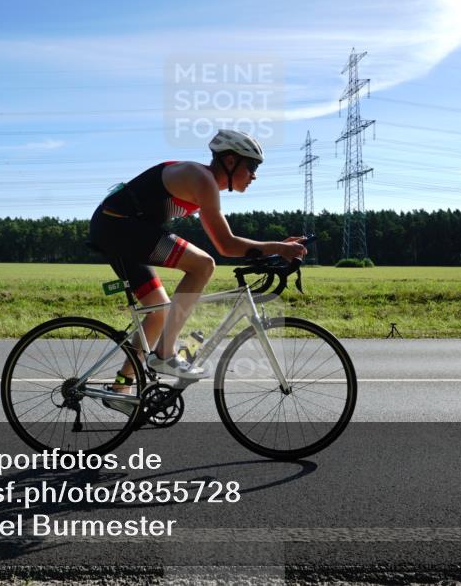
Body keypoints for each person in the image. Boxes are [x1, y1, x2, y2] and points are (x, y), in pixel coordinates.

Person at [87, 130, 307, 412]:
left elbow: (229, 241)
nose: (254, 175)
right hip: (119, 226)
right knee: (203, 265)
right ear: (229, 161)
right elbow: (225, 245)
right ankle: (165, 354)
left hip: (117, 227)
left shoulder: (202, 181)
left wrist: (276, 247)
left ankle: (121, 388)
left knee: (158, 311)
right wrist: (277, 248)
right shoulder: (201, 179)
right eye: (251, 166)